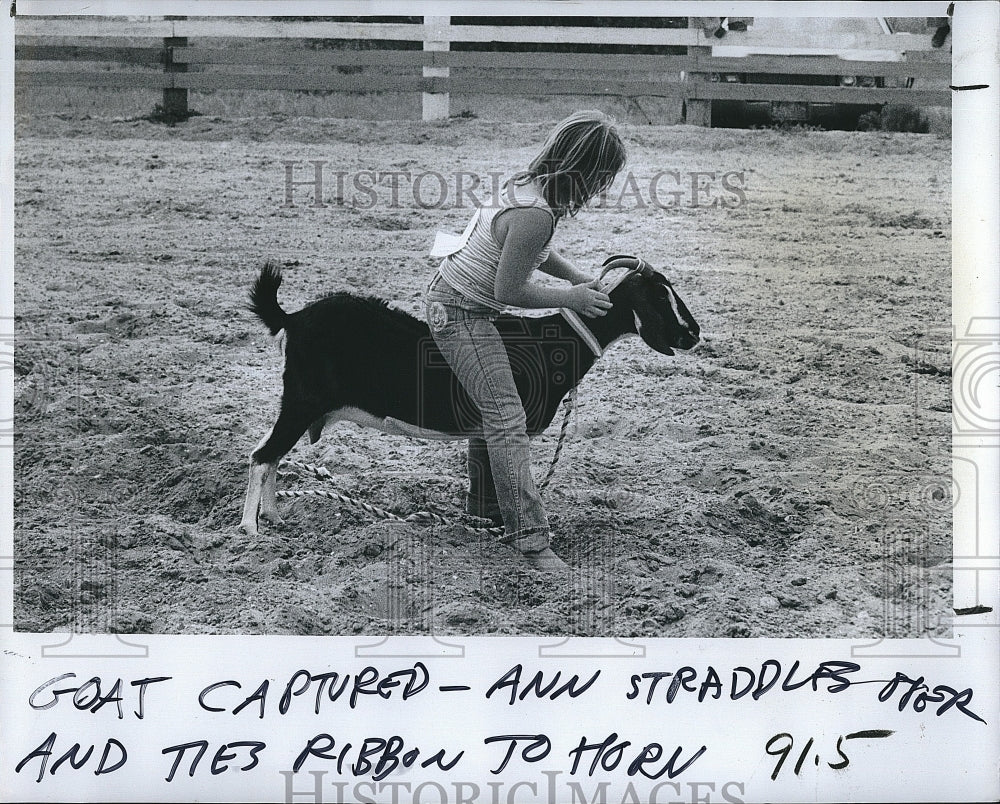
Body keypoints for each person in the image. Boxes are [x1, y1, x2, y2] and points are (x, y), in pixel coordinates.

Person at [423, 110, 627, 571]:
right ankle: (530, 541)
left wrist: (575, 276)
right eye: (602, 179)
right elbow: (508, 292)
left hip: (452, 299)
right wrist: (570, 298)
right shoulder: (537, 216)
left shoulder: (523, 186)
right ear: (588, 173)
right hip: (461, 314)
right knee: (507, 416)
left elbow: (530, 251)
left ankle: (485, 508)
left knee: (494, 405)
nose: (601, 191)